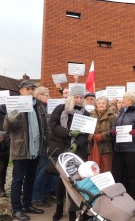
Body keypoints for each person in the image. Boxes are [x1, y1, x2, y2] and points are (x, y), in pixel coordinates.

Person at [4, 80, 50, 221]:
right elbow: (7, 128)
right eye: (27, 89)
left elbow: (46, 126)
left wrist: (46, 143)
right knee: (18, 180)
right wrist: (11, 118)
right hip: (21, 149)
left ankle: (27, 204)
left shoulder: (39, 106)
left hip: (36, 148)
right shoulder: (16, 105)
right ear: (21, 91)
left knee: (31, 178)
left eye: (31, 89)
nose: (29, 91)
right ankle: (17, 209)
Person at [49, 85, 90, 221]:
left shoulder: (86, 113)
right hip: (61, 147)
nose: (79, 100)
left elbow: (86, 133)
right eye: (76, 97)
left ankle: (73, 210)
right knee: (61, 180)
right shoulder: (61, 109)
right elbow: (53, 125)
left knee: (75, 181)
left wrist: (76, 143)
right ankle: (59, 207)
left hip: (77, 151)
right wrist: (69, 133)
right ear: (71, 97)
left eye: (81, 97)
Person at [111, 90, 135, 200]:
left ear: (131, 101)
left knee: (132, 176)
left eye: (125, 99)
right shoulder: (122, 112)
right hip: (118, 149)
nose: (122, 100)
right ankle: (117, 198)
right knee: (116, 175)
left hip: (133, 150)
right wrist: (113, 131)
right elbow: (115, 126)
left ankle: (131, 198)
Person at [88, 96, 116, 173]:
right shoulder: (90, 115)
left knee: (105, 170)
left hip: (106, 148)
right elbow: (86, 131)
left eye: (103, 103)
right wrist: (92, 136)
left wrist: (102, 136)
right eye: (99, 103)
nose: (101, 105)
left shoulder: (112, 116)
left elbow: (114, 131)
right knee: (93, 171)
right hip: (92, 147)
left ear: (107, 105)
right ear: (96, 105)